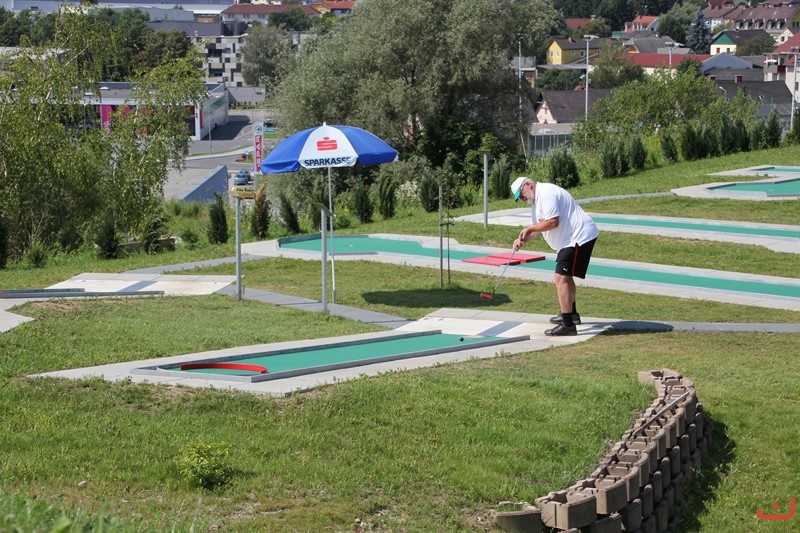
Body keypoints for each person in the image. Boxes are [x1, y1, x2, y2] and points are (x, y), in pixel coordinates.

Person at [510, 177, 599, 336]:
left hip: (578, 236)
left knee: (560, 277)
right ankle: (571, 315)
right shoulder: (536, 203)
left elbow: (553, 223)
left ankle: (568, 325)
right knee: (565, 276)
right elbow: (538, 229)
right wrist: (523, 240)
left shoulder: (547, 193)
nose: (522, 198)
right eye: (519, 198)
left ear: (528, 185)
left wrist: (530, 229)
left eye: (521, 194)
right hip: (569, 240)